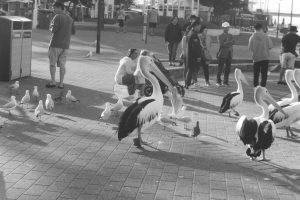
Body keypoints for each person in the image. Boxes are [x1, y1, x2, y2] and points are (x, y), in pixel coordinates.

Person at [46, 1, 73, 89]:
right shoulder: (69, 18)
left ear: (59, 7)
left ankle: (53, 81)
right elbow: (73, 31)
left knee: (52, 64)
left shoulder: (57, 17)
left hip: (55, 44)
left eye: (54, 7)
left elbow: (53, 30)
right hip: (66, 45)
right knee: (62, 65)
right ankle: (61, 83)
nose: (53, 9)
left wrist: (50, 26)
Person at [248, 23, 273, 87]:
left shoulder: (252, 37)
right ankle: (263, 87)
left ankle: (256, 87)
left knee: (256, 74)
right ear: (261, 28)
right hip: (265, 57)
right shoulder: (266, 36)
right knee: (264, 74)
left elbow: (250, 48)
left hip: (256, 58)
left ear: (254, 29)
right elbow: (270, 46)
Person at [216, 22, 235, 87]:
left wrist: (226, 42)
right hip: (222, 54)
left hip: (229, 54)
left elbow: (233, 42)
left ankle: (225, 82)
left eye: (228, 27)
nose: (227, 29)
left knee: (227, 69)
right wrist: (229, 42)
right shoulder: (219, 36)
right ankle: (218, 81)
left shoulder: (231, 35)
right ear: (223, 28)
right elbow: (222, 44)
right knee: (220, 68)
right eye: (226, 27)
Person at [185, 20, 203, 89]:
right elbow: (195, 47)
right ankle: (188, 84)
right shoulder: (193, 34)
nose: (200, 27)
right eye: (199, 25)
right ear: (195, 26)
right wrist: (198, 56)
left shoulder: (191, 33)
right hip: (192, 56)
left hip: (191, 55)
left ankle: (189, 83)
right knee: (191, 70)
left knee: (191, 70)